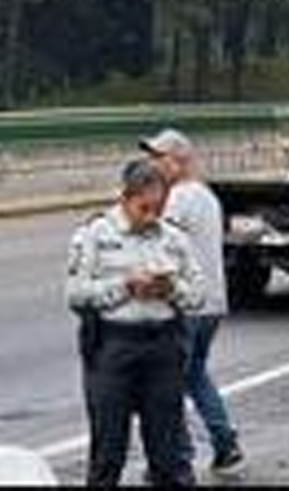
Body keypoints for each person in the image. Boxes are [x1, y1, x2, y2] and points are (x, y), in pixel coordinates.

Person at [68, 158, 205, 488]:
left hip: (163, 346)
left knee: (167, 451)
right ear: (126, 198)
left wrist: (170, 289)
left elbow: (199, 294)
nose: (151, 216)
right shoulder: (94, 235)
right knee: (109, 449)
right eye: (144, 207)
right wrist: (126, 287)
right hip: (113, 348)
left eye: (158, 208)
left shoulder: (173, 237)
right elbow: (76, 295)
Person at [141, 129, 245, 475]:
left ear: (179, 161)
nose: (152, 165)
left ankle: (174, 460)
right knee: (195, 375)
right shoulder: (206, 196)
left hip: (187, 307)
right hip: (212, 304)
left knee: (166, 384)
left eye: (159, 158)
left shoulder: (179, 199)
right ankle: (225, 443)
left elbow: (159, 247)